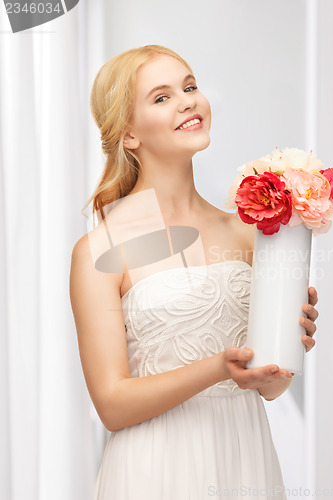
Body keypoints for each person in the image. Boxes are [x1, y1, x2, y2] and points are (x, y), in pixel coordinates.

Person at [69, 44, 318, 500]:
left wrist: (288, 347)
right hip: (154, 468)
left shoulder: (248, 231)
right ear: (127, 134)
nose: (187, 100)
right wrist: (216, 369)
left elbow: (271, 390)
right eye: (162, 97)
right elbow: (111, 405)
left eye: (189, 87)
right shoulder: (99, 250)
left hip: (244, 457)